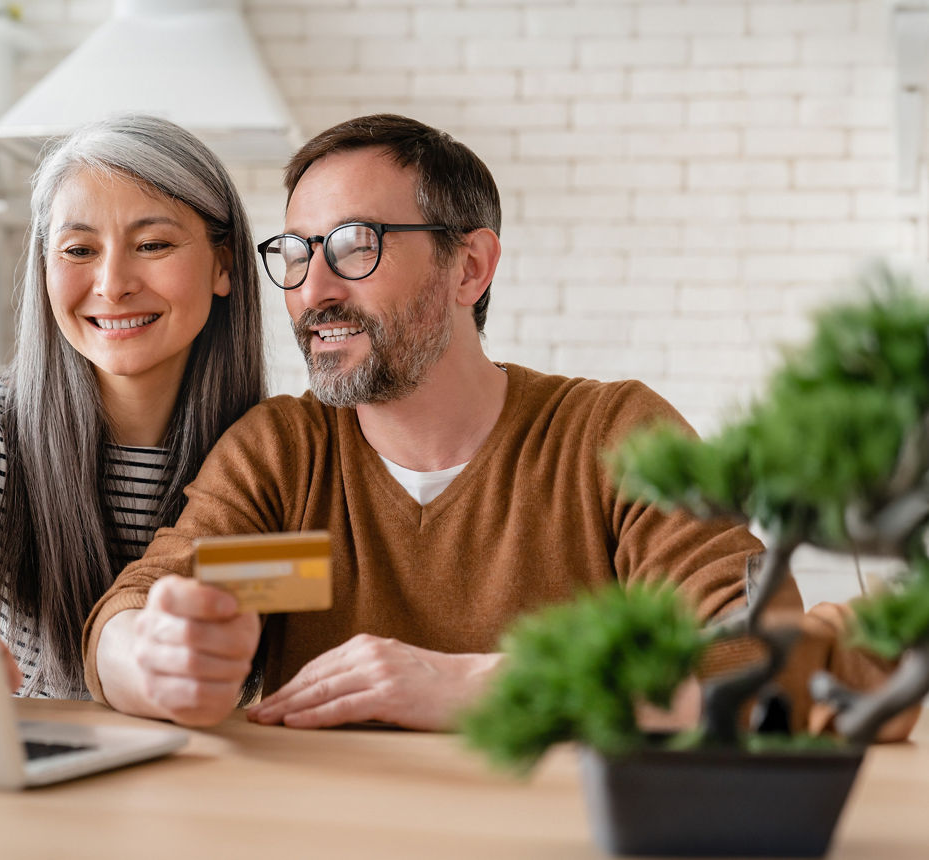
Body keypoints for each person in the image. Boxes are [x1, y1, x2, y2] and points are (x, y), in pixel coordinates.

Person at [82, 114, 909, 735]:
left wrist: (473, 684)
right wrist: (154, 660)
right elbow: (135, 609)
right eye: (296, 253)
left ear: (469, 267)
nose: (314, 290)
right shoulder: (283, 453)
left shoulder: (612, 436)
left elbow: (753, 663)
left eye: (353, 244)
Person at [0, 114, 265, 699]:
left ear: (224, 264)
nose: (112, 283)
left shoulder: (269, 457)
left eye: (152, 245)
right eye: (79, 249)